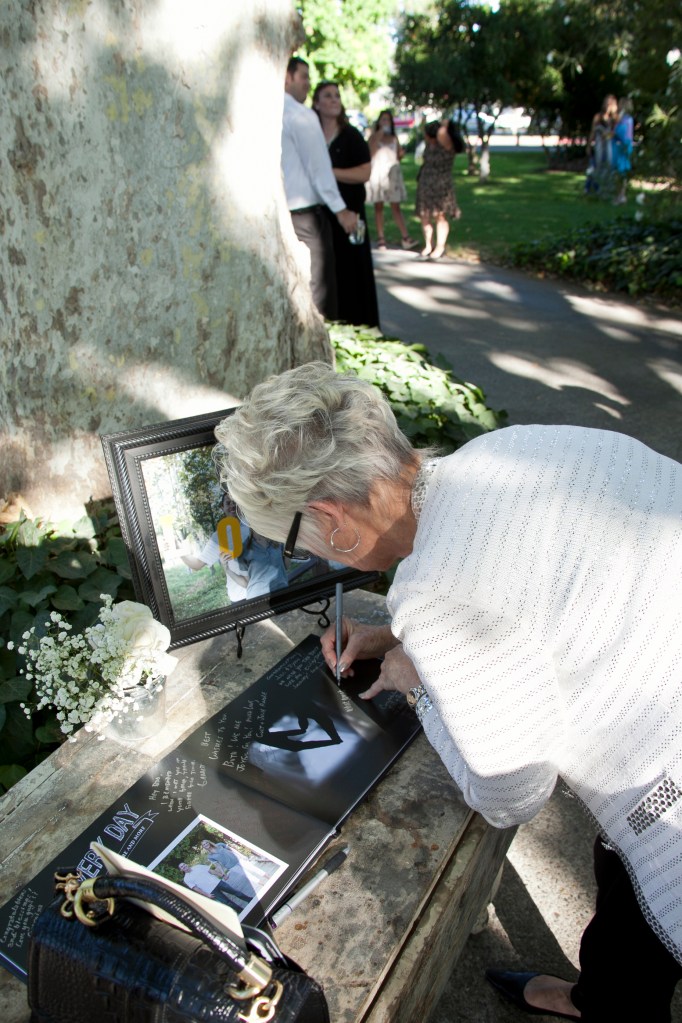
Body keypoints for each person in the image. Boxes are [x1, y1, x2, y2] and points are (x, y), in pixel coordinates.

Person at [214, 361, 682, 1023]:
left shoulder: (434, 595)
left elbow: (511, 794)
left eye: (295, 543)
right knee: (628, 890)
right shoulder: (504, 452)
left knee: (650, 869)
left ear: (330, 518)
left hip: (668, 772)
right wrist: (399, 639)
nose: (312, 556)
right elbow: (529, 594)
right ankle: (601, 997)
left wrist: (420, 684)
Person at [282, 57, 358, 319]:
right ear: (287, 77)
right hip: (305, 217)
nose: (308, 83)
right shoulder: (300, 115)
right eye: (303, 76)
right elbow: (319, 168)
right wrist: (341, 210)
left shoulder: (263, 111)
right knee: (318, 292)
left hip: (278, 217)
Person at [312, 81, 380, 328]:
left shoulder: (351, 136)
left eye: (337, 96)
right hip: (322, 214)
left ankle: (359, 324)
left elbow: (364, 173)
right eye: (327, 96)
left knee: (353, 269)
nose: (334, 100)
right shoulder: (312, 135)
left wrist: (330, 173)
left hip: (350, 214)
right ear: (316, 103)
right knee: (327, 270)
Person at [366, 110, 418, 251]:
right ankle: (381, 238)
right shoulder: (374, 137)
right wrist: (379, 134)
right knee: (379, 207)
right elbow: (370, 153)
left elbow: (398, 155)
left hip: (393, 174)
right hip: (378, 173)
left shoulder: (394, 138)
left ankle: (405, 237)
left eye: (388, 120)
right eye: (383, 119)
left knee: (396, 206)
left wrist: (401, 154)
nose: (385, 122)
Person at [415, 119, 463, 260]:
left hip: (441, 184)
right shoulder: (429, 145)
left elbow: (441, 132)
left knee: (439, 215)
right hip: (425, 183)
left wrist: (443, 124)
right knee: (424, 215)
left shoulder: (446, 145)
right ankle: (428, 244)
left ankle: (440, 246)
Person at [200, 840, 257, 904]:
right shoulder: (210, 856)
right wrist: (223, 874)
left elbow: (231, 849)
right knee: (249, 876)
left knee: (256, 870)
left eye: (206, 843)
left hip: (238, 859)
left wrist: (241, 855)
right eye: (204, 844)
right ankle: (261, 883)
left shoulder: (219, 845)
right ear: (203, 847)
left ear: (209, 842)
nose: (206, 844)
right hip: (231, 866)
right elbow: (217, 865)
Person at [178, 860, 250, 910]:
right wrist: (207, 895)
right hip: (211, 891)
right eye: (182, 867)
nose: (184, 866)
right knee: (228, 903)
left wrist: (222, 875)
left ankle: (249, 900)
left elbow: (211, 871)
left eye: (184, 865)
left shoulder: (198, 866)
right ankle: (242, 911)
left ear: (186, 864)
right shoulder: (186, 879)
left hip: (218, 883)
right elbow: (195, 888)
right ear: (181, 870)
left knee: (235, 892)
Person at [584, 94, 617, 197]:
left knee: (607, 167)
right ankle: (589, 188)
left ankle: (604, 188)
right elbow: (592, 132)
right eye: (606, 103)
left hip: (609, 146)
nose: (607, 105)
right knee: (595, 166)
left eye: (609, 103)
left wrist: (608, 135)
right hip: (598, 146)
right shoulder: (598, 117)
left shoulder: (614, 119)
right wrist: (589, 145)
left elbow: (615, 133)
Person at [612, 97, 634, 205]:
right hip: (626, 145)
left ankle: (620, 195)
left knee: (620, 171)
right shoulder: (629, 119)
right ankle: (621, 195)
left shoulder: (623, 119)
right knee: (622, 171)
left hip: (621, 146)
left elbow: (618, 132)